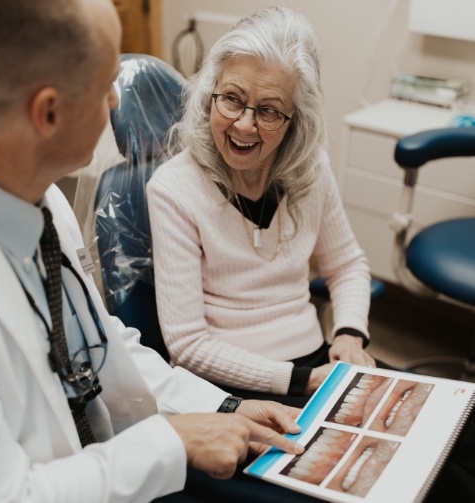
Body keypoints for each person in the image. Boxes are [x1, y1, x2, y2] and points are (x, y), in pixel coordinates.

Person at [0, 1, 318, 502]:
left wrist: (225, 408)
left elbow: (95, 342)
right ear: (48, 111)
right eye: (105, 84)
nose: (117, 101)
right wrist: (171, 443)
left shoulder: (40, 202)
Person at [147, 5, 376, 409]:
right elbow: (187, 344)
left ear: (295, 120)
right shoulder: (174, 188)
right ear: (209, 95)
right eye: (231, 99)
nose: (244, 125)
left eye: (269, 110)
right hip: (229, 385)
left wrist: (349, 335)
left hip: (316, 362)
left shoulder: (311, 169)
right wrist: (300, 381)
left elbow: (347, 265)